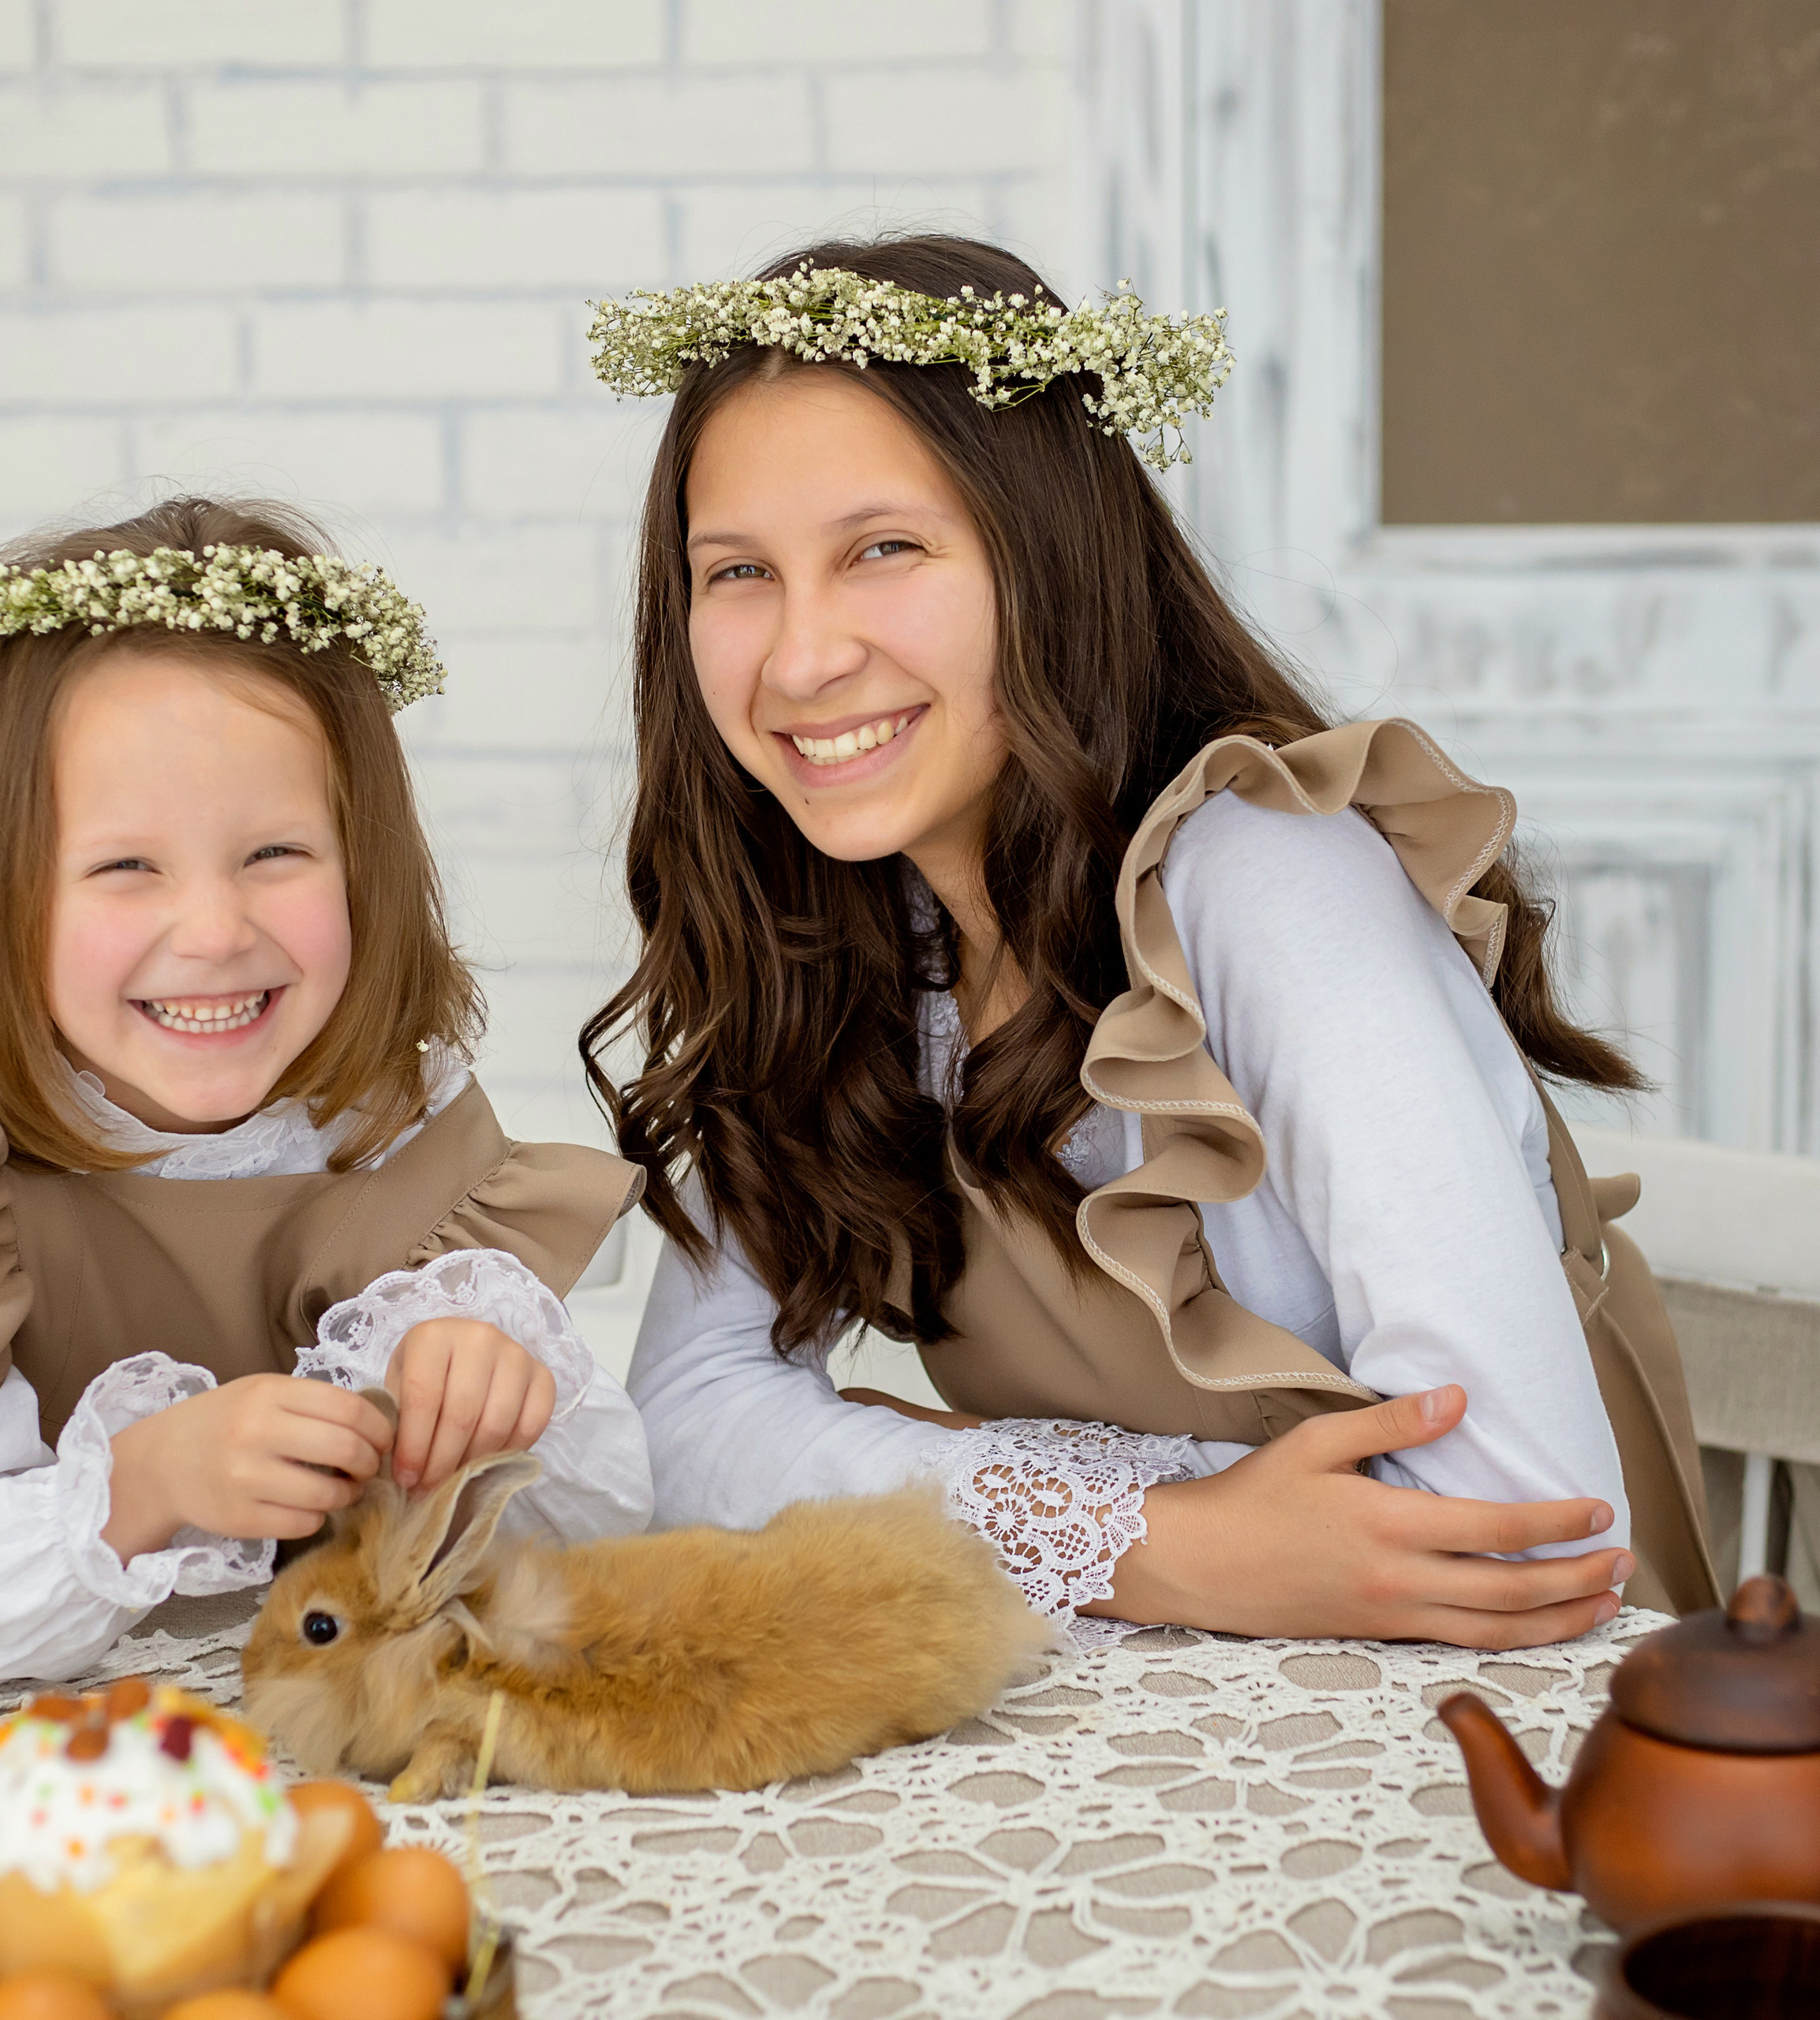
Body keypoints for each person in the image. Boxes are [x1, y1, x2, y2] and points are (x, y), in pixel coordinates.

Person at [583, 235, 1715, 1651]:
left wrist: (939, 1472)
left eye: (884, 550)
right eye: (740, 570)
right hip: (1160, 1699)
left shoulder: (1268, 879)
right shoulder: (838, 931)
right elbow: (686, 1422)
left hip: (1512, 1718)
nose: (802, 657)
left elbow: (1529, 1526)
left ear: (1051, 555)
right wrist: (1158, 1541)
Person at [0, 497, 648, 1696]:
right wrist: (147, 1484)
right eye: (124, 867)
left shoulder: (396, 1132)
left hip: (329, 1733)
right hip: (7, 1756)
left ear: (363, 864)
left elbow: (599, 1536)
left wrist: (496, 1397)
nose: (213, 930)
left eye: (275, 855)